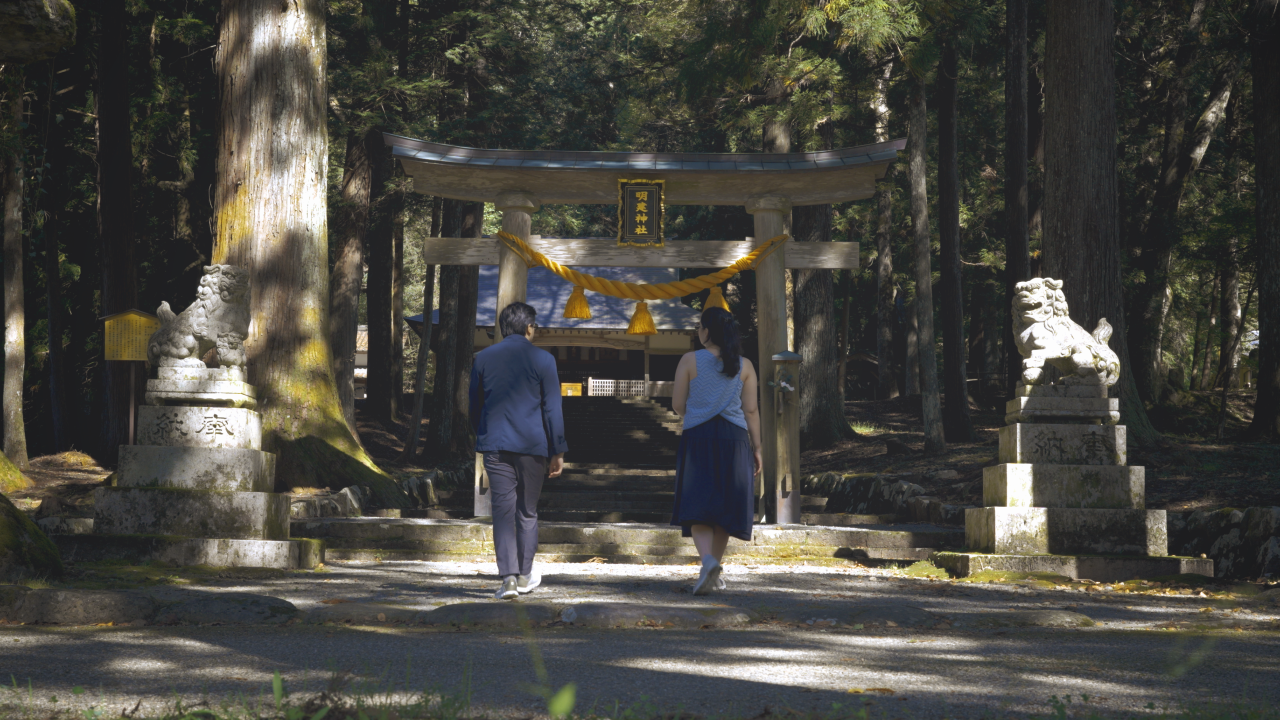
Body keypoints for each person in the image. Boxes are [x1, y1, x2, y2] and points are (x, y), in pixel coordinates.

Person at [469, 301, 568, 600]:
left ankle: (508, 579)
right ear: (528, 327)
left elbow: (475, 405)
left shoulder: (483, 358)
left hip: (496, 445)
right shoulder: (544, 360)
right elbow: (553, 408)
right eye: (534, 326)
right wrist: (558, 450)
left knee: (502, 511)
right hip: (534, 446)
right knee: (527, 511)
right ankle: (525, 575)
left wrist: (482, 433)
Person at [669, 306, 763, 595]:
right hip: (735, 440)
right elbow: (751, 410)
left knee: (697, 505)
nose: (698, 331)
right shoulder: (745, 365)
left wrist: (698, 408)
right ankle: (713, 569)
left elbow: (677, 405)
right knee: (725, 507)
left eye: (699, 326)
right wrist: (757, 448)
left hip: (699, 436)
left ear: (706, 331)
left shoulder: (689, 360)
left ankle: (709, 562)